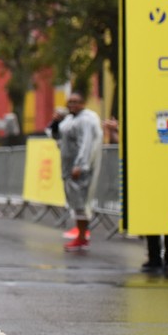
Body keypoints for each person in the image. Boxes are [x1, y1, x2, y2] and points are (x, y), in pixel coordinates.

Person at [57, 92, 103, 252]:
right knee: (75, 204)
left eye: (76, 101)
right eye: (69, 101)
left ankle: (82, 236)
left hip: (80, 169)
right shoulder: (69, 119)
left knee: (81, 204)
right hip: (68, 167)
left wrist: (81, 165)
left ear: (83, 103)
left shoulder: (86, 119)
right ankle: (80, 235)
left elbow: (87, 143)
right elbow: (59, 137)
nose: (72, 105)